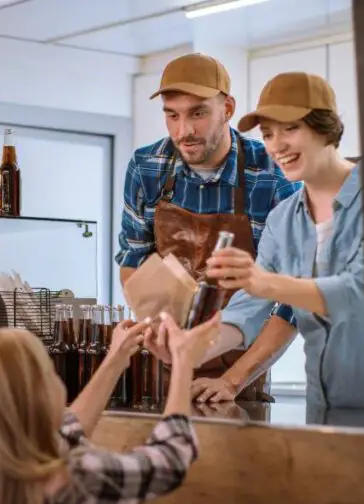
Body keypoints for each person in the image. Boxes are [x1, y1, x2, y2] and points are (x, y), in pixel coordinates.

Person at [163, 72, 364, 417]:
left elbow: (360, 295)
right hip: (323, 411)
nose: (277, 146)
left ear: (326, 128)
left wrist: (265, 282)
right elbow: (249, 309)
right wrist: (195, 346)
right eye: (268, 134)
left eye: (290, 129)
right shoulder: (283, 220)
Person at [116, 52, 302, 402]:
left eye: (198, 113)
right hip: (161, 363)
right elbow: (133, 259)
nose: (183, 131)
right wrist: (158, 327)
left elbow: (289, 302)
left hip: (241, 371)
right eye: (172, 115)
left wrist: (232, 381)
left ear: (228, 109)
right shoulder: (147, 167)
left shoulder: (273, 176)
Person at [0, 314, 220, 504]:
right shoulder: (79, 480)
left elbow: (66, 432)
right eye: (49, 372)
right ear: (36, 398)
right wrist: (183, 360)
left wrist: (116, 357)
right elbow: (170, 459)